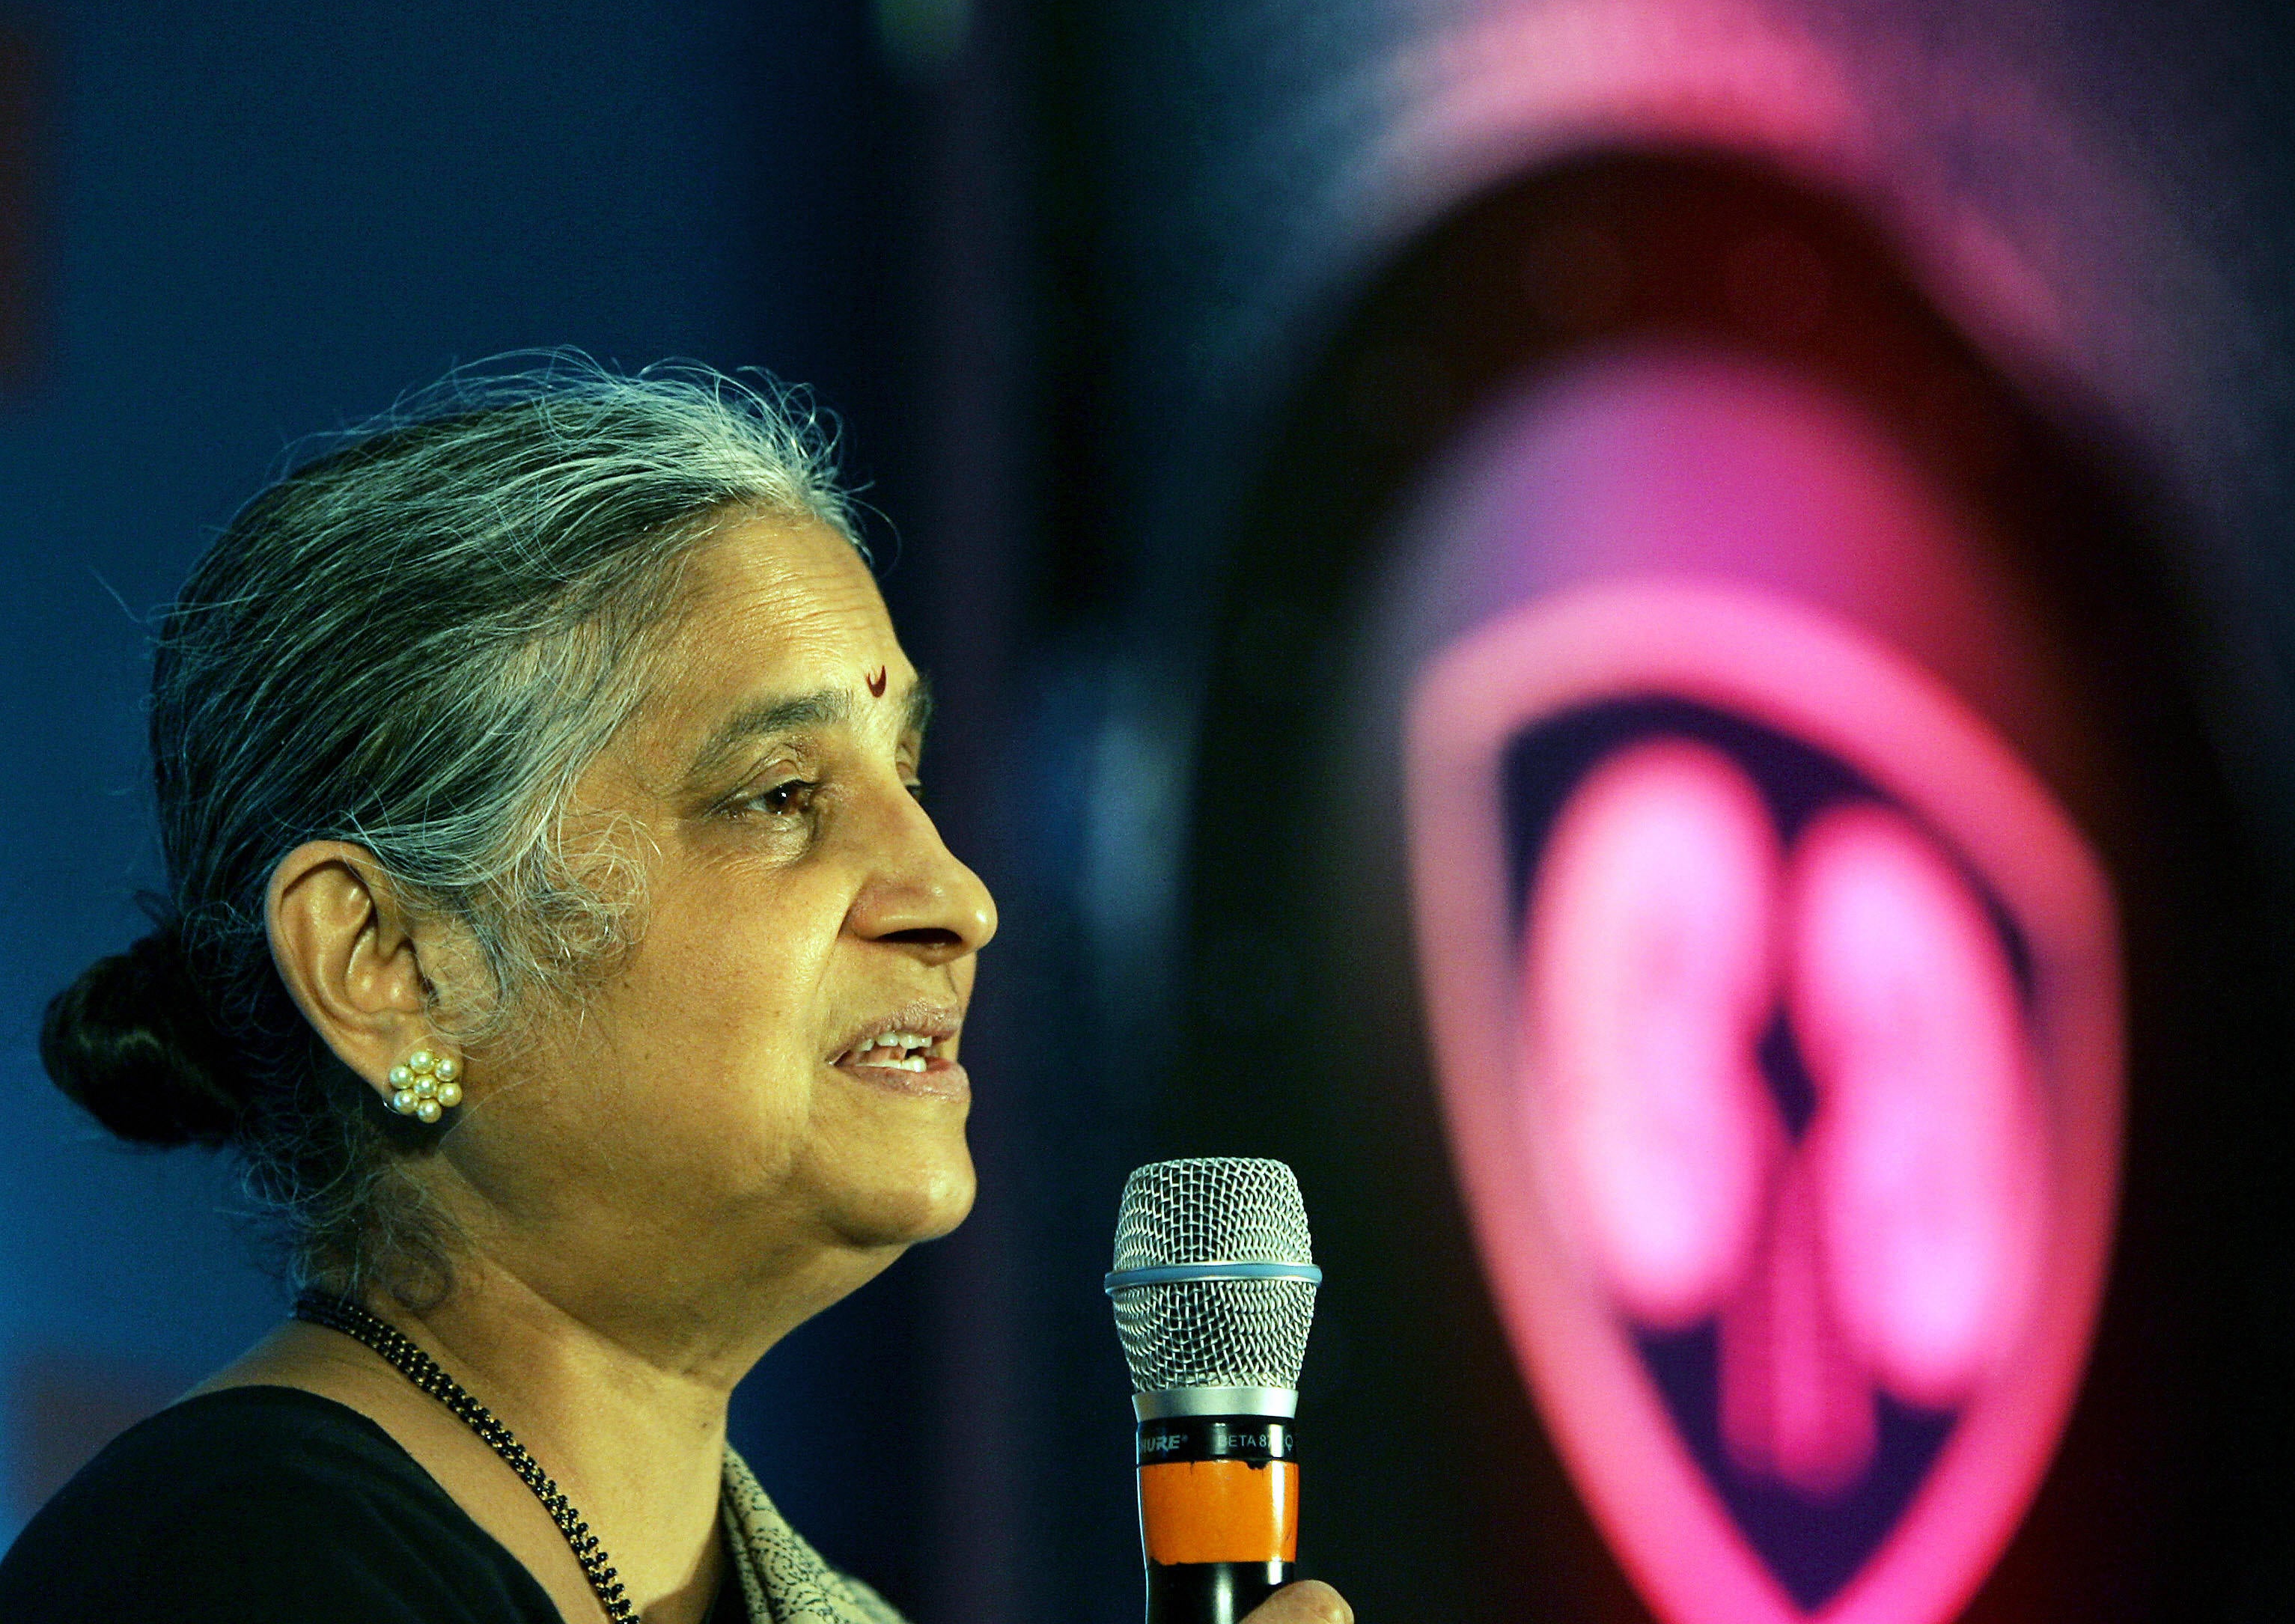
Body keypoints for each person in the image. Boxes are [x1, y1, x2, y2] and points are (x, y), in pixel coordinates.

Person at [1, 360, 1353, 1624]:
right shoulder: (226, 1574)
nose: (959, 898)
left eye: (912, 780)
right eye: (781, 797)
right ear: (389, 967)